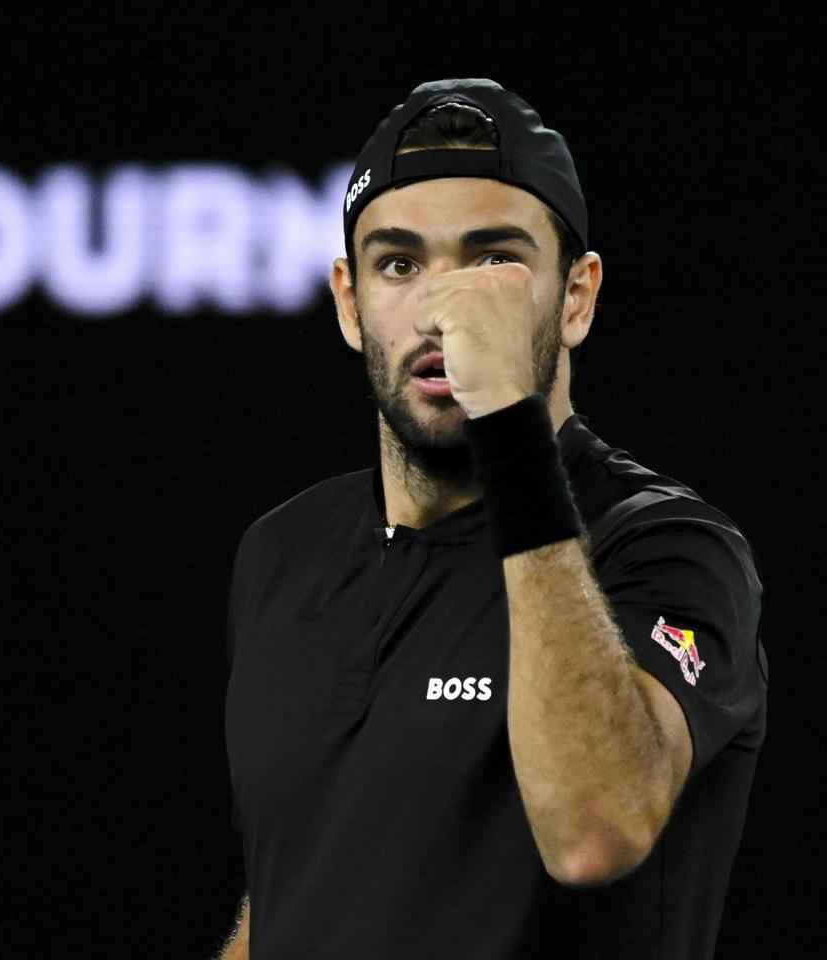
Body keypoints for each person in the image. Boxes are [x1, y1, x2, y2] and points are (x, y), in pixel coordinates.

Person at [215, 79, 768, 960]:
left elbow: (596, 831)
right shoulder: (284, 550)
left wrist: (508, 417)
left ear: (576, 297)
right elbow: (300, 884)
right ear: (350, 303)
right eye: (399, 264)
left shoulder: (665, 545)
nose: (444, 310)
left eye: (493, 263)